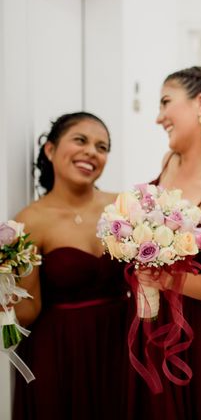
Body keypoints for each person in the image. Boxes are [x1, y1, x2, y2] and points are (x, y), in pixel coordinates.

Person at [127, 67, 201, 420]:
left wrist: (166, 280)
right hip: (148, 323)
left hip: (197, 338)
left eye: (166, 102)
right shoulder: (170, 161)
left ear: (200, 103)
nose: (158, 117)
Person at [12, 112, 129, 420]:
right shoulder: (29, 221)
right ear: (50, 150)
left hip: (119, 345)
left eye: (101, 147)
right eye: (80, 140)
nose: (92, 151)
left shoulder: (123, 207)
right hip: (58, 351)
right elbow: (28, 310)